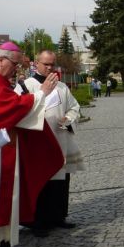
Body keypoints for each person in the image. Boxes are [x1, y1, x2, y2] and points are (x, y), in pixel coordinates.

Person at [0, 42, 64, 247]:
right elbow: (9, 109)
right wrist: (41, 94)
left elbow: (13, 106)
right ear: (1, 59)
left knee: (8, 197)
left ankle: (4, 241)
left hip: (6, 148)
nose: (17, 70)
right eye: (15, 64)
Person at [19, 50, 85, 236]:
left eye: (52, 64)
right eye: (45, 64)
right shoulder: (27, 85)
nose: (49, 68)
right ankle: (37, 221)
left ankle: (58, 217)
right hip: (37, 143)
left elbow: (74, 107)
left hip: (59, 138)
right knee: (40, 182)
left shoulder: (62, 87)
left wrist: (68, 118)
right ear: (36, 64)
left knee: (60, 182)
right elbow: (20, 109)